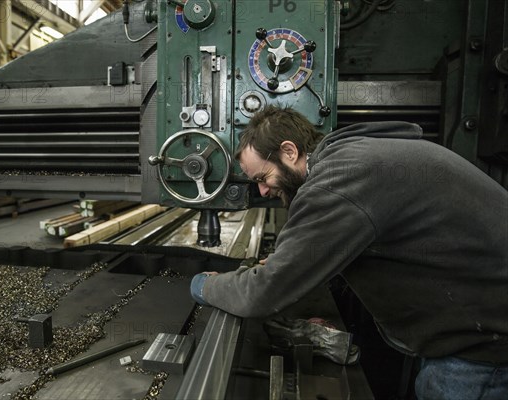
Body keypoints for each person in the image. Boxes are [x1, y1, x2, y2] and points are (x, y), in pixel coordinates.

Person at [190, 105, 508, 399]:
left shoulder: (339, 180)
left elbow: (263, 293)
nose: (261, 191)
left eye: (262, 177)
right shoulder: (354, 157)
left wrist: (206, 285)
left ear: (289, 151)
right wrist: (297, 258)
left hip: (483, 349)